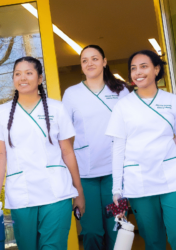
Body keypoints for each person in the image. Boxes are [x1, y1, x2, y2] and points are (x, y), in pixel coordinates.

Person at [0, 56, 85, 250]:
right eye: (18, 74)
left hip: (57, 192)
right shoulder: (1, 113)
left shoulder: (57, 108)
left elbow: (67, 151)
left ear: (40, 79)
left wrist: (78, 190)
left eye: (29, 73)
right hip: (22, 194)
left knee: (53, 247)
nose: (23, 78)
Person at [106, 50, 176, 250]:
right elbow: (118, 149)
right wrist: (117, 189)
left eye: (144, 66)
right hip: (138, 180)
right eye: (133, 68)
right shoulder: (123, 106)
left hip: (174, 177)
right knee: (152, 240)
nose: (138, 72)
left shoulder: (173, 102)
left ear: (156, 69)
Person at [62, 45, 130, 250]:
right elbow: (63, 136)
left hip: (116, 175)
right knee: (91, 231)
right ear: (81, 66)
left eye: (95, 58)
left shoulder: (121, 91)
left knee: (115, 228)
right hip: (85, 175)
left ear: (104, 61)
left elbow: (131, 126)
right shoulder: (72, 94)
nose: (90, 63)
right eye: (85, 60)